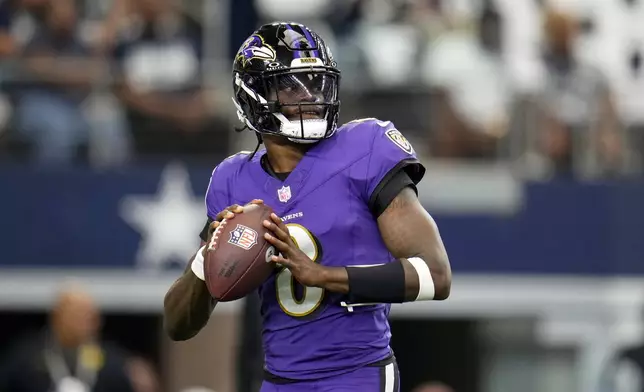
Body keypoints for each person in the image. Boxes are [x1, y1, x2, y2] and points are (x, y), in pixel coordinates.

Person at [163, 22, 452, 392]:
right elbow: (178, 325)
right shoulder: (232, 180)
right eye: (290, 85)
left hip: (357, 373)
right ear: (254, 95)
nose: (310, 95)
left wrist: (324, 275)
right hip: (280, 382)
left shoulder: (365, 147)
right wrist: (209, 254)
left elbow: (436, 275)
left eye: (315, 81)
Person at [0, 283, 135, 392]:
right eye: (76, 315)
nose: (84, 323)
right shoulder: (26, 357)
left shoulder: (111, 361)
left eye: (89, 316)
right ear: (56, 316)